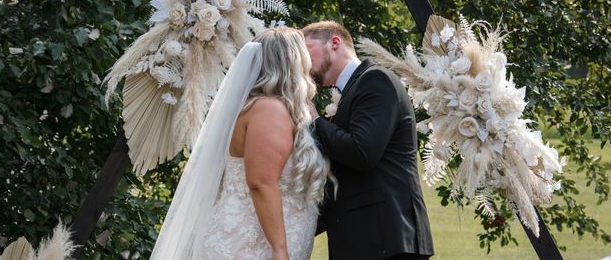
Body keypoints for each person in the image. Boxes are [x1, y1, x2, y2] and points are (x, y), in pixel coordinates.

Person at [150, 27, 328, 260]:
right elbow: (260, 182)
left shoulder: (259, 107)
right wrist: (280, 249)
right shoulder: (269, 109)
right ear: (292, 62)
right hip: (252, 245)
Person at [302, 20, 434, 260]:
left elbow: (362, 152)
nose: (302, 61)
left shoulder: (376, 81)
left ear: (334, 42)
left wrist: (315, 121)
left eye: (306, 49)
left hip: (388, 240)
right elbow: (343, 176)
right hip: (361, 241)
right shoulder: (348, 93)